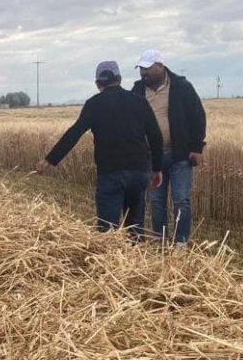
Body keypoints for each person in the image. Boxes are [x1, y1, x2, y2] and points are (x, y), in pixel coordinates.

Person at [36, 61, 163, 238]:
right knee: (135, 228)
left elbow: (73, 134)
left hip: (111, 173)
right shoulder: (139, 101)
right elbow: (156, 136)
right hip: (138, 172)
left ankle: (111, 261)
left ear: (98, 84)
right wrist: (157, 169)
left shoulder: (94, 104)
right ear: (119, 79)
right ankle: (135, 260)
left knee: (107, 234)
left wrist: (49, 160)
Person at [131, 49, 206, 244]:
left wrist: (197, 147)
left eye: (147, 69)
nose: (143, 73)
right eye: (141, 69)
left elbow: (198, 116)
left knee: (181, 200)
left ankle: (180, 242)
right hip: (151, 157)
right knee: (156, 202)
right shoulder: (138, 90)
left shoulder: (181, 86)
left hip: (179, 154)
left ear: (160, 66)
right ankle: (160, 240)